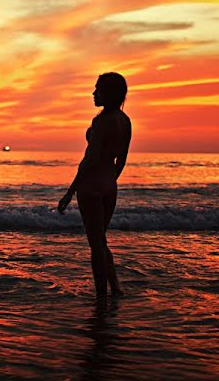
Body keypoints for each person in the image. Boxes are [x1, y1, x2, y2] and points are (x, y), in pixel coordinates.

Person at [57, 73, 131, 299]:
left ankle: (101, 296)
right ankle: (116, 289)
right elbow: (122, 160)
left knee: (95, 244)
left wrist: (69, 193)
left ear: (108, 93)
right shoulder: (124, 120)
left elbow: (90, 159)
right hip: (110, 185)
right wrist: (110, 180)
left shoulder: (101, 121)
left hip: (91, 185)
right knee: (101, 241)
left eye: (97, 89)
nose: (93, 93)